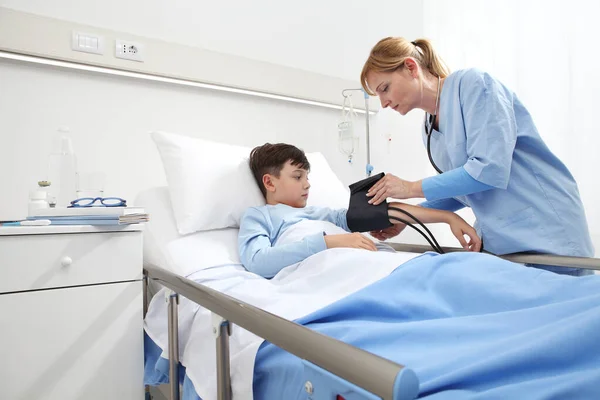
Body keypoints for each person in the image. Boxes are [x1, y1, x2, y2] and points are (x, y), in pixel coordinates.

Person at [360, 37, 594, 276]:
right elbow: (462, 191)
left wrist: (409, 188)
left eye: (384, 88)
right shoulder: (428, 128)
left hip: (546, 227)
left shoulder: (475, 85)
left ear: (411, 67)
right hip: (503, 239)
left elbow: (488, 170)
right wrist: (408, 217)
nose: (384, 103)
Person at [238, 143, 481, 278]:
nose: (307, 184)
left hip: (385, 263)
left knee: (460, 273)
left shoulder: (324, 214)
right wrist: (330, 242)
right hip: (342, 272)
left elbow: (385, 212)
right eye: (297, 176)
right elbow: (258, 262)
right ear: (269, 182)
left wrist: (447, 217)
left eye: (307, 176)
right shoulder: (259, 216)